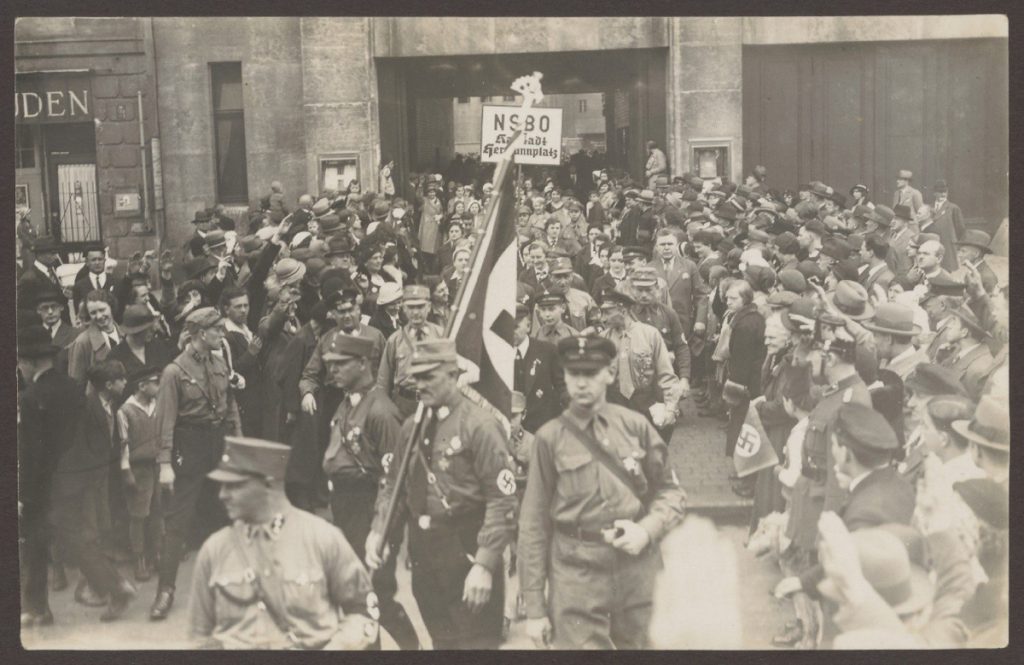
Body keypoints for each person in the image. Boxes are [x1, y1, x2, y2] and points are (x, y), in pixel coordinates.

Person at [517, 335, 687, 648]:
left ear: (609, 374)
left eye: (591, 373)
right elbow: (532, 523)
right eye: (574, 373)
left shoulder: (635, 426)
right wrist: (535, 608)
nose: (581, 383)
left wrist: (647, 530)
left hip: (635, 567)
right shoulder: (549, 438)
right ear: (564, 376)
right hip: (576, 572)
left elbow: (672, 493)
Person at [365, 339, 518, 649]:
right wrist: (378, 531)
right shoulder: (411, 428)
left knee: (476, 643)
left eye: (428, 377)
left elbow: (503, 501)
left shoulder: (480, 426)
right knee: (441, 640)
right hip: (425, 551)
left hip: (466, 546)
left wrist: (485, 564)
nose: (419, 385)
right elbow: (393, 486)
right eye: (415, 377)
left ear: (452, 374)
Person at [189, 436, 378, 650]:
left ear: (268, 483)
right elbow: (200, 637)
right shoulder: (214, 550)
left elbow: (364, 612)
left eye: (234, 486)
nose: (222, 495)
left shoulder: (323, 539)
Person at [320, 334, 420, 650]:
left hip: (370, 510)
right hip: (347, 508)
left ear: (363, 363)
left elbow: (394, 478)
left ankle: (412, 648)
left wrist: (382, 530)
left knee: (375, 595)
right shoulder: (349, 401)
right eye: (330, 365)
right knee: (358, 593)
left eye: (340, 364)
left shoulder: (381, 411)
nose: (332, 371)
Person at [151, 307, 242, 620]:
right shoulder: (173, 372)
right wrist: (165, 464)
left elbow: (230, 406)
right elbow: (165, 422)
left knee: (224, 516)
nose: (222, 334)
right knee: (177, 521)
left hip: (218, 445)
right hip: (189, 448)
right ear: (201, 334)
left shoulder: (220, 363)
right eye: (217, 330)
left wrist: (238, 442)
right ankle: (165, 590)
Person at [54, 359, 139, 622]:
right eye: (121, 380)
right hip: (84, 485)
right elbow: (77, 450)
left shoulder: (109, 405)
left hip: (99, 482)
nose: (126, 383)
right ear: (108, 385)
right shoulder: (87, 408)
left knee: (95, 533)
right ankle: (109, 588)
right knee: (87, 535)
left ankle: (101, 587)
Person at [18, 325, 75, 627]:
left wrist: (23, 496)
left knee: (36, 545)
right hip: (74, 476)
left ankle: (38, 608)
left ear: (29, 362)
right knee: (79, 535)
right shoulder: (72, 387)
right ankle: (113, 588)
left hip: (43, 485)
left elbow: (31, 454)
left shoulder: (30, 398)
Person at [116, 366, 165, 582]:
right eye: (155, 381)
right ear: (142, 386)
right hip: (139, 469)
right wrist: (126, 472)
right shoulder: (125, 411)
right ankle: (139, 559)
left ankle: (157, 554)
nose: (159, 385)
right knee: (138, 515)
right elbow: (123, 446)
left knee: (158, 511)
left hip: (157, 466)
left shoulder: (157, 404)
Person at [375, 285, 445, 417]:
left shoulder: (441, 336)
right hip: (404, 404)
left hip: (433, 402)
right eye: (411, 307)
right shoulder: (395, 340)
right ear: (404, 309)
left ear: (429, 307)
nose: (416, 312)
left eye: (420, 306)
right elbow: (384, 381)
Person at [513, 302, 567, 434]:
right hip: (513, 428)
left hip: (545, 427)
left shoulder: (547, 351)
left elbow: (563, 387)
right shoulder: (499, 354)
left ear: (528, 326)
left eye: (515, 326)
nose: (510, 331)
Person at [67, 290, 123, 387]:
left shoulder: (124, 334)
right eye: (93, 313)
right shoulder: (82, 342)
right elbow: (76, 383)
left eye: (102, 310)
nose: (99, 316)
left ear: (111, 307)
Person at [72, 244, 118, 315]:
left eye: (100, 259)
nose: (97, 263)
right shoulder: (79, 286)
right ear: (87, 262)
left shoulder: (116, 281)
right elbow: (79, 314)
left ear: (104, 260)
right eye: (93, 260)